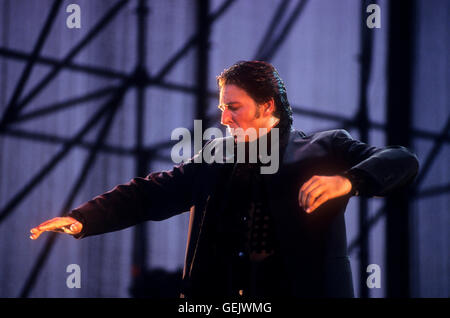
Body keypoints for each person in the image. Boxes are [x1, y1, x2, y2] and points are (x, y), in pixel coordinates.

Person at [30, 61, 419, 298]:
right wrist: (84, 218)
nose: (223, 118)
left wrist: (349, 181)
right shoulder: (217, 158)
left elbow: (401, 159)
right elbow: (153, 192)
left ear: (267, 105)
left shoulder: (324, 147)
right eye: (221, 108)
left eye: (233, 107)